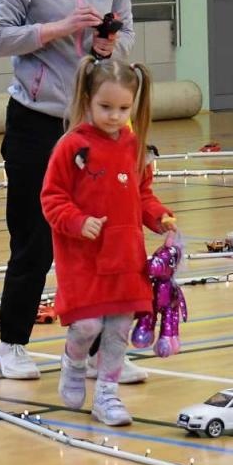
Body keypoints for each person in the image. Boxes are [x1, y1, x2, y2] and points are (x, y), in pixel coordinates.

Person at [0, 0, 136, 381]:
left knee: (98, 237)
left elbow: (128, 32)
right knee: (35, 236)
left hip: (93, 131)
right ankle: (12, 342)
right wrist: (55, 29)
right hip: (36, 121)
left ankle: (96, 353)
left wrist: (109, 46)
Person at [40, 56, 176, 425]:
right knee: (86, 326)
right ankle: (72, 363)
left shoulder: (135, 146)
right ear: (86, 98)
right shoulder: (71, 147)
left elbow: (143, 195)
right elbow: (51, 198)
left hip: (125, 255)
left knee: (118, 329)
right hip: (83, 258)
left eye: (123, 108)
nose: (114, 116)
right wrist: (76, 221)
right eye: (105, 107)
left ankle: (107, 395)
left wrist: (159, 217)